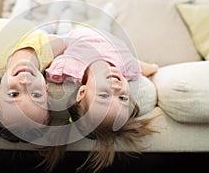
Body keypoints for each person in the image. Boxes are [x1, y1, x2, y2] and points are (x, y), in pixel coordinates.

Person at [44, 27, 159, 172]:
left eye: (104, 95)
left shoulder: (66, 67)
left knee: (59, 24)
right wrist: (154, 68)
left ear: (82, 92)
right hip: (105, 32)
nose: (116, 88)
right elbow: (143, 66)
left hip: (72, 30)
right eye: (123, 98)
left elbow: (49, 45)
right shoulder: (129, 67)